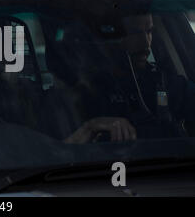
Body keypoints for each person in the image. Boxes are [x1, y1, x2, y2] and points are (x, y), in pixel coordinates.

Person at [63, 13, 195, 144]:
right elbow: (58, 151)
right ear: (110, 38)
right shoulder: (87, 91)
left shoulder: (165, 83)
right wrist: (92, 126)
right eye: (134, 32)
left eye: (149, 32)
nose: (145, 42)